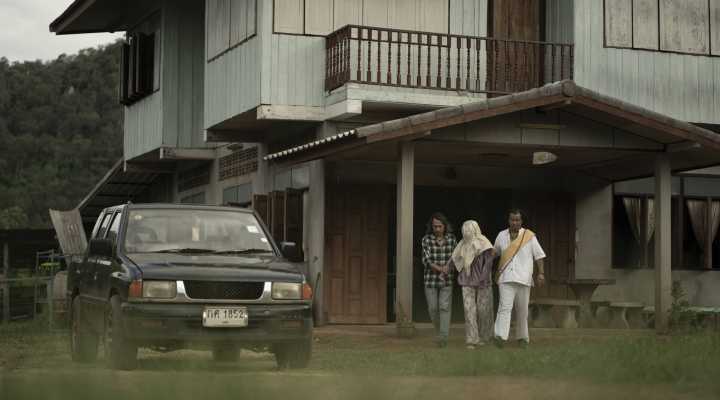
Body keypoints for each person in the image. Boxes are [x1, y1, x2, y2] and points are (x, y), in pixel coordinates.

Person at [492, 209, 546, 347]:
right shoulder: (501, 235)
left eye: (517, 220)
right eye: (512, 219)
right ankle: (500, 337)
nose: (514, 222)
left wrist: (541, 273)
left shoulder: (529, 236)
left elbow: (539, 255)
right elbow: (494, 253)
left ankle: (522, 338)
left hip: (524, 278)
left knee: (522, 311)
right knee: (504, 307)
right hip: (506, 278)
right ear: (508, 220)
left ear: (521, 221)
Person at [449, 220, 495, 349]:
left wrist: (483, 277)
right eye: (464, 230)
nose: (466, 232)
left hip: (483, 281)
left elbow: (489, 261)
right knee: (469, 310)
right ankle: (472, 339)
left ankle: (485, 336)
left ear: (475, 230)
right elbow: (454, 258)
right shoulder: (462, 244)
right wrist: (445, 270)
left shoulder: (484, 242)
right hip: (467, 279)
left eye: (468, 230)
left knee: (483, 309)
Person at [421, 212, 457, 348]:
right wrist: (441, 269)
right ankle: (439, 331)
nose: (437, 229)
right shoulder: (426, 240)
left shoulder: (452, 239)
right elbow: (426, 260)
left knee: (444, 307)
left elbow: (456, 257)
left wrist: (449, 267)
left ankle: (443, 337)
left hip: (447, 280)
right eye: (435, 226)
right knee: (433, 309)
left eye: (439, 226)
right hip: (430, 280)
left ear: (445, 226)